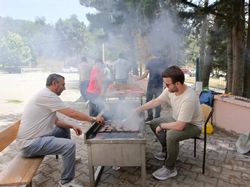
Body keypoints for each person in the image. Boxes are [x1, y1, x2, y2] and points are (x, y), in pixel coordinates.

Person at [16, 74, 105, 187]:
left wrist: (71, 125)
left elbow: (56, 121)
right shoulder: (47, 95)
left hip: (37, 137)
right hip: (29, 144)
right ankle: (66, 182)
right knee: (69, 146)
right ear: (54, 84)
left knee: (64, 129)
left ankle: (69, 158)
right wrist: (93, 118)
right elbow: (72, 113)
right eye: (62, 85)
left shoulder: (45, 94)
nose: (64, 88)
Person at [135, 66, 203, 181]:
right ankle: (168, 152)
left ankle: (170, 168)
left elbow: (180, 126)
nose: (165, 86)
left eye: (167, 84)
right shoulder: (171, 89)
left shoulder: (188, 98)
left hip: (193, 125)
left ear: (177, 84)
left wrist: (162, 126)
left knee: (171, 135)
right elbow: (156, 101)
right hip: (177, 119)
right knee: (153, 123)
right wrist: (138, 109)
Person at [135, 50, 168, 122]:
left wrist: (138, 78)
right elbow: (166, 74)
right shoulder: (164, 62)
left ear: (152, 54)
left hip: (151, 85)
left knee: (148, 101)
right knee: (158, 101)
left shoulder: (150, 62)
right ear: (160, 55)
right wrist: (166, 84)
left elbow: (145, 74)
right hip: (159, 85)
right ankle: (157, 117)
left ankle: (150, 116)